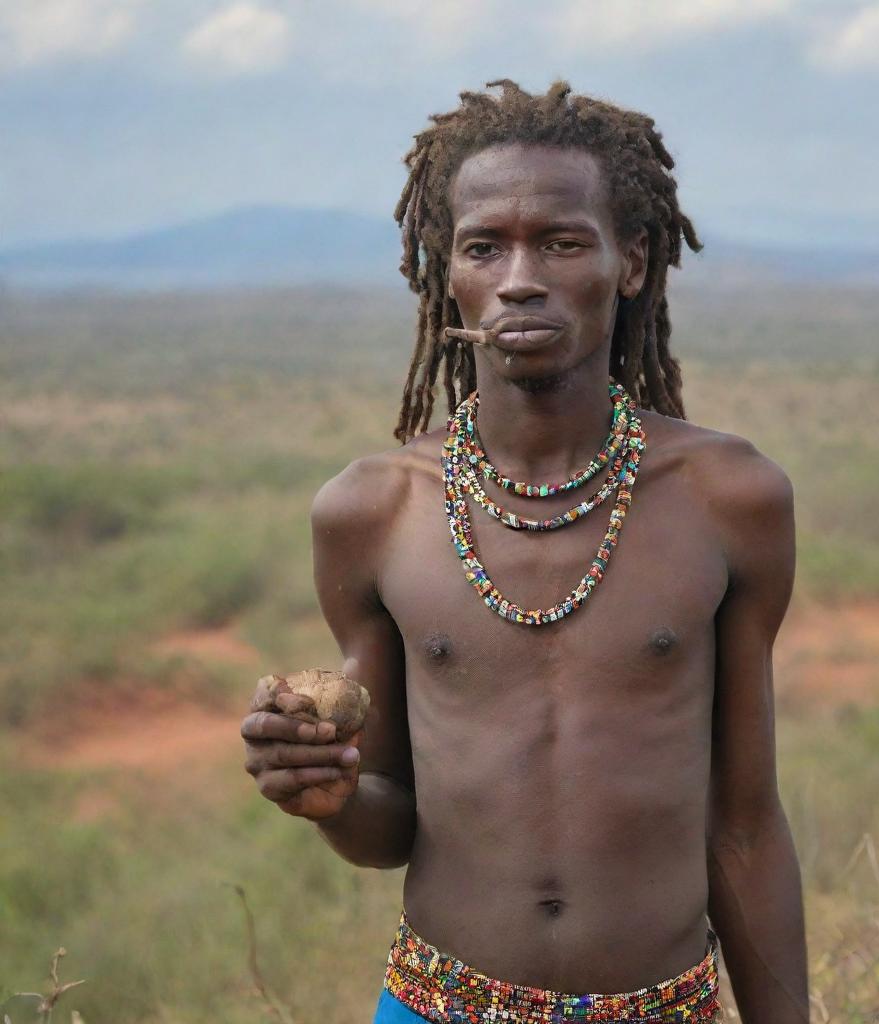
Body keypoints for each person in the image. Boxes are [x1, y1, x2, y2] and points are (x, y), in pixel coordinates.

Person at [240, 79, 809, 1023]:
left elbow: (744, 827)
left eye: (560, 241)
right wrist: (325, 793)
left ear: (630, 263)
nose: (519, 276)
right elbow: (388, 827)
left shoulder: (731, 499)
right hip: (435, 1006)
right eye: (483, 246)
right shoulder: (371, 511)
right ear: (447, 274)